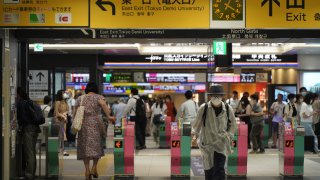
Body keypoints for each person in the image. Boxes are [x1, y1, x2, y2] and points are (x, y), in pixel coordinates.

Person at [193, 84, 236, 180]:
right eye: (213, 95)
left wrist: (229, 136)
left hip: (221, 144)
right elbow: (196, 125)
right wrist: (194, 136)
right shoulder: (203, 108)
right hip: (207, 145)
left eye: (218, 95)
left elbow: (233, 125)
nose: (216, 97)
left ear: (222, 96)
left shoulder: (228, 109)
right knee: (209, 171)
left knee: (220, 169)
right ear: (210, 96)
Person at [74, 82, 115, 180]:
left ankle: (87, 170)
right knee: (96, 146)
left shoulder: (80, 98)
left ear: (87, 89)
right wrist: (109, 116)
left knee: (85, 147)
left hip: (83, 124)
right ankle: (94, 167)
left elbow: (75, 112)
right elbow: (104, 105)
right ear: (96, 89)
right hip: (95, 123)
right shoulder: (98, 97)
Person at [16, 87, 41, 180]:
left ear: (18, 94)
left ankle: (29, 175)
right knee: (32, 152)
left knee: (29, 153)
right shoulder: (29, 102)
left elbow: (22, 118)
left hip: (28, 129)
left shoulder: (21, 103)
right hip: (35, 128)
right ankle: (32, 173)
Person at [54, 90, 70, 156]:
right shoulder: (58, 102)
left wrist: (65, 114)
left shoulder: (65, 102)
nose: (65, 94)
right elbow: (56, 113)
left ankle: (62, 149)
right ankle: (60, 149)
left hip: (64, 120)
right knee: (60, 135)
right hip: (58, 120)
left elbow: (67, 110)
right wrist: (63, 115)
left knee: (63, 134)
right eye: (63, 93)